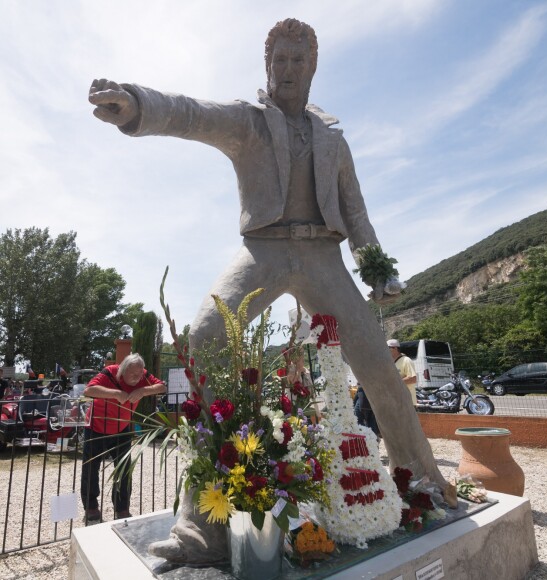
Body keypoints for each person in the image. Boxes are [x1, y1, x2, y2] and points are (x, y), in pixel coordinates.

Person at [89, 18, 451, 562]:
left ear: (312, 67)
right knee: (205, 335)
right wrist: (138, 106)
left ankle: (422, 486)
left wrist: (377, 270)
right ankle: (203, 528)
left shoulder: (333, 137)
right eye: (278, 60)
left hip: (325, 257)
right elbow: (191, 113)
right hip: (262, 250)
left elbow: (356, 211)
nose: (286, 70)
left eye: (296, 61)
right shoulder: (249, 122)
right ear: (267, 66)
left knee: (377, 362)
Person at [80, 353, 166, 523]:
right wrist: (115, 393)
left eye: (140, 375)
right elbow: (89, 390)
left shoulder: (142, 375)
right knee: (90, 469)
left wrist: (143, 390)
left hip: (122, 428)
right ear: (123, 370)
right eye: (133, 375)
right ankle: (91, 507)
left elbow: (162, 387)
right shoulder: (110, 372)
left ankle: (122, 508)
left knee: (124, 470)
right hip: (96, 427)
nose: (137, 378)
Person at [387, 339, 417, 405]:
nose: (386, 350)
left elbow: (413, 379)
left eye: (388, 348)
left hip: (407, 402)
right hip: (397, 401)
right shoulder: (392, 362)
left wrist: (394, 382)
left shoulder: (406, 360)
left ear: (395, 348)